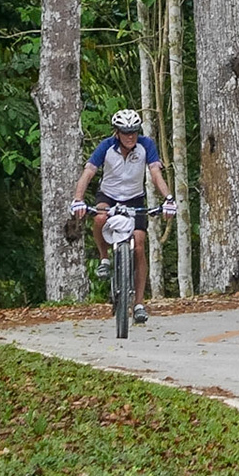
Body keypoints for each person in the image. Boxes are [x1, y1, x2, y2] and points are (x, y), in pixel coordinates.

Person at [70, 109, 176, 324]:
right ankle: (104, 258)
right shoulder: (106, 146)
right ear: (117, 132)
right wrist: (78, 200)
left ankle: (138, 304)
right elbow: (88, 173)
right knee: (99, 218)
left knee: (139, 245)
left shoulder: (146, 145)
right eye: (126, 132)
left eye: (134, 132)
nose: (130, 136)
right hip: (108, 196)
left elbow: (156, 174)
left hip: (134, 199)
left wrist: (169, 199)